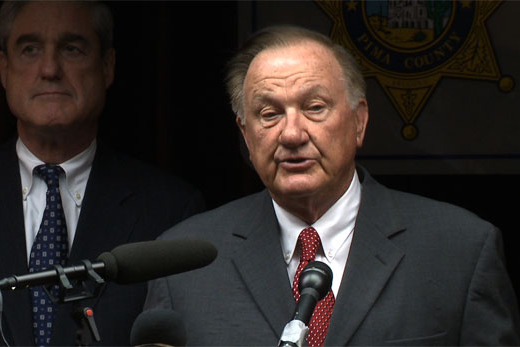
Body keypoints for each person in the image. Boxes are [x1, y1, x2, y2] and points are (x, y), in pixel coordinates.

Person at [144, 25, 520, 346]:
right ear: (245, 134)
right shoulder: (184, 267)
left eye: (315, 107)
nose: (291, 134)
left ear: (359, 121)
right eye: (269, 114)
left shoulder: (461, 251)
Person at [0, 1, 205, 345]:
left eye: (71, 49)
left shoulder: (171, 209)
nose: (49, 68)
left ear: (107, 66)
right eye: (30, 49)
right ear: (4, 69)